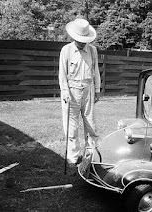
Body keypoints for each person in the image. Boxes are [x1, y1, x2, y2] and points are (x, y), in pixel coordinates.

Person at [58, 18, 101, 165]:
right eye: (80, 40)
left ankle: (91, 156)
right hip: (72, 91)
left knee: (91, 125)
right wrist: (65, 93)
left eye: (85, 40)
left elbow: (96, 71)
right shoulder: (66, 50)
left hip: (88, 91)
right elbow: (62, 74)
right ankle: (73, 156)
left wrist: (97, 89)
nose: (82, 43)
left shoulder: (93, 50)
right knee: (72, 127)